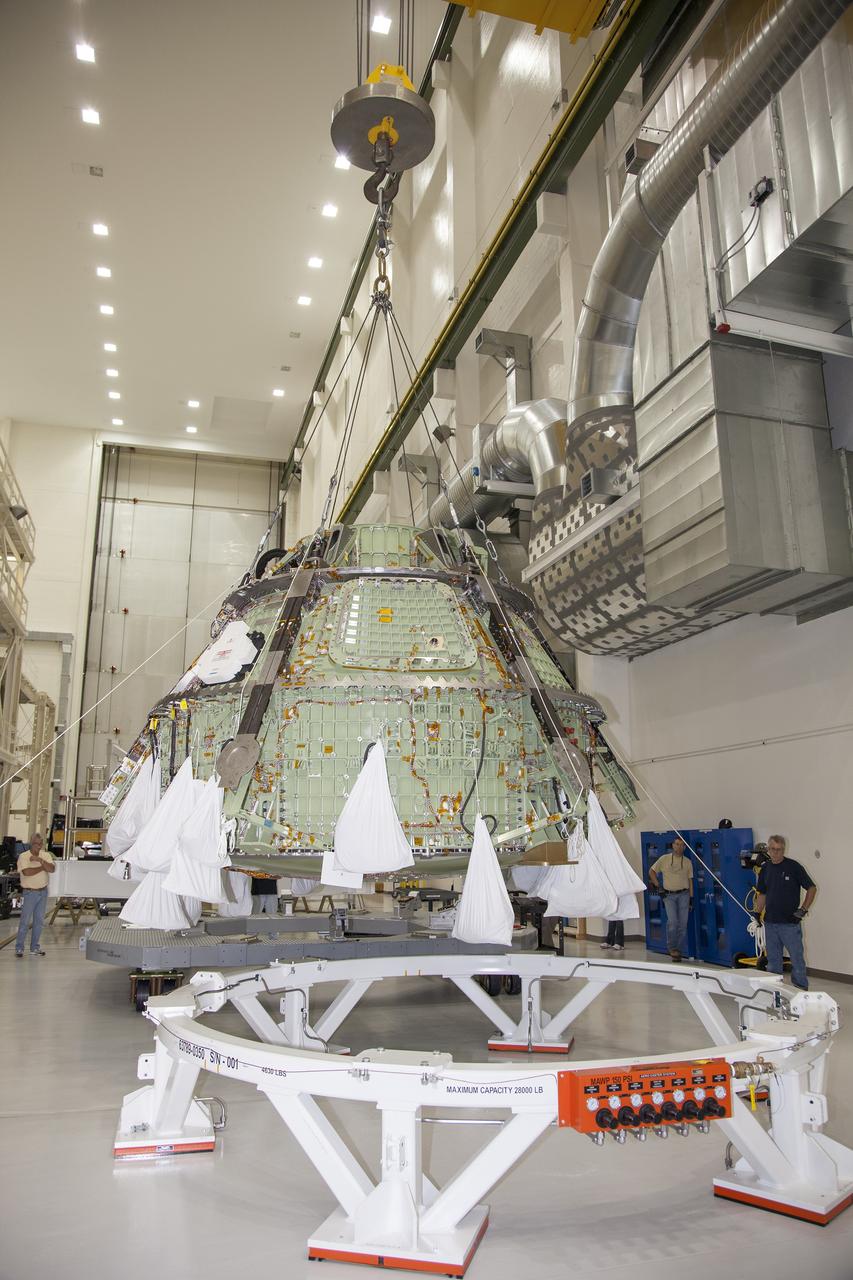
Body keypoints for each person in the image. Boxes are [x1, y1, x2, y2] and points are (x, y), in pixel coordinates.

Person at [755, 834, 815, 990]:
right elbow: (762, 893)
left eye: (779, 850)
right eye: (773, 849)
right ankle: (774, 990)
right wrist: (757, 912)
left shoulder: (794, 867)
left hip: (790, 923)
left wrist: (802, 910)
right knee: (774, 960)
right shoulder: (765, 869)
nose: (776, 853)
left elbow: (811, 887)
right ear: (768, 849)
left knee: (796, 958)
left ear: (784, 849)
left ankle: (801, 989)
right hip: (770, 923)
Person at [648, 837, 693, 962]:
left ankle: (678, 950)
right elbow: (651, 871)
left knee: (683, 924)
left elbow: (690, 881)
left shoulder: (688, 862)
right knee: (673, 922)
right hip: (669, 895)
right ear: (673, 845)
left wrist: (691, 898)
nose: (679, 847)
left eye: (682, 845)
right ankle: (672, 948)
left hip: (684, 894)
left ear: (684, 847)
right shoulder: (664, 859)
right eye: (677, 844)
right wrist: (658, 886)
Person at [15, 833, 55, 957]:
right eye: (36, 844)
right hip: (30, 893)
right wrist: (43, 867)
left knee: (39, 922)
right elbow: (27, 872)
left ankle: (34, 947)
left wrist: (40, 861)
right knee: (25, 922)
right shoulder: (23, 856)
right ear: (31, 844)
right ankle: (19, 948)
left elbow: (52, 869)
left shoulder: (45, 855)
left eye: (40, 843)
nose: (38, 846)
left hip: (43, 892)